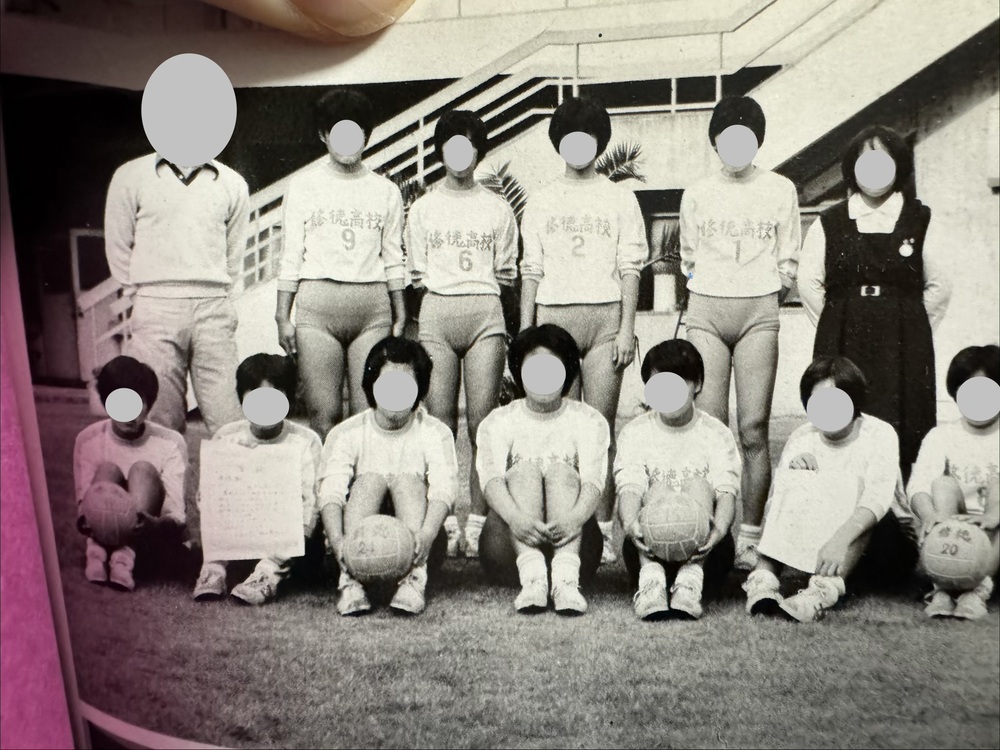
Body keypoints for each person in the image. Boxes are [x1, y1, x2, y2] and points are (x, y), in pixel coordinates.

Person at [519, 96, 648, 564]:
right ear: (558, 143)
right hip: (554, 321)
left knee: (598, 427)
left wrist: (626, 329)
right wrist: (526, 334)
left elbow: (630, 267)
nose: (578, 145)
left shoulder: (620, 198)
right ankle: (561, 523)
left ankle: (604, 528)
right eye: (569, 137)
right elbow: (531, 270)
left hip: (605, 319)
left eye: (587, 137)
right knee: (557, 429)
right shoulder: (541, 199)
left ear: (599, 142)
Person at [678, 95, 802, 571]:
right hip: (707, 312)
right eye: (726, 137)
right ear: (714, 142)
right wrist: (714, 287)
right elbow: (689, 259)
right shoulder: (697, 193)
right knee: (709, 427)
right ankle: (712, 533)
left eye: (744, 137)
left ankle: (750, 536)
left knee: (752, 428)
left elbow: (788, 258)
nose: (734, 145)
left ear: (758, 141)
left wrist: (765, 295)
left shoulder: (780, 189)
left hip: (758, 313)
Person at [798, 125, 951, 484]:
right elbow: (809, 284)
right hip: (844, 335)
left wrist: (910, 324)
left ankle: (903, 504)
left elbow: (939, 287)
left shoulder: (920, 218)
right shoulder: (829, 221)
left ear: (899, 165)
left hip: (904, 338)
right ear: (852, 167)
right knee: (843, 414)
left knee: (907, 420)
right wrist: (837, 322)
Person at [405, 110, 519, 558]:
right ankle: (447, 523)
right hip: (437, 311)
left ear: (478, 152)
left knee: (482, 423)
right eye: (450, 145)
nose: (459, 154)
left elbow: (505, 273)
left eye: (467, 145)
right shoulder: (424, 208)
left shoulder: (497, 208)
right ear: (440, 152)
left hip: (485, 312)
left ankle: (478, 525)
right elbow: (416, 272)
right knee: (440, 423)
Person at [276, 88, 408, 438]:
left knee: (369, 414)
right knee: (324, 416)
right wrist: (282, 316)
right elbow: (291, 255)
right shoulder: (303, 186)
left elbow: (393, 257)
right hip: (318, 310)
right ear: (323, 135)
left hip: (372, 311)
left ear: (366, 135)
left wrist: (400, 313)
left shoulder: (385, 191)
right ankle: (327, 476)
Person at [743, 356, 903, 623]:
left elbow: (877, 498)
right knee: (795, 477)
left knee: (856, 490)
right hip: (823, 541)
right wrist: (797, 473)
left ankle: (821, 591)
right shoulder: (802, 437)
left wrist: (840, 541)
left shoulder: (879, 433)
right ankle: (764, 580)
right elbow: (776, 504)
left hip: (881, 541)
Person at [104, 149, 250, 436]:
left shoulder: (232, 182)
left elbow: (234, 253)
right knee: (160, 416)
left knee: (229, 416)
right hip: (156, 304)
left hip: (213, 306)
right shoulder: (130, 176)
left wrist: (219, 293)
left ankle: (231, 467)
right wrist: (140, 292)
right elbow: (118, 244)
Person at [317, 337, 458, 616]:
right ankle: (350, 582)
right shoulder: (347, 433)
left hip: (421, 541)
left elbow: (444, 488)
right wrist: (338, 541)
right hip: (356, 542)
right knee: (370, 480)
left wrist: (427, 534)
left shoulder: (435, 432)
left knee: (407, 480)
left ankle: (414, 580)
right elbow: (330, 491)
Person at [476, 325, 609, 615]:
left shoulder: (589, 420)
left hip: (576, 544)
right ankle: (533, 578)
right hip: (509, 545)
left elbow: (594, 482)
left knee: (561, 472)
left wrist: (574, 519)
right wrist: (516, 519)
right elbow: (491, 480)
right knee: (524, 471)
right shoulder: (499, 421)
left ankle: (565, 581)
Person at [615, 340, 739, 620]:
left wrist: (718, 531)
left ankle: (689, 585)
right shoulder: (635, 432)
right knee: (659, 488)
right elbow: (629, 488)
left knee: (697, 484)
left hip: (707, 551)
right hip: (647, 550)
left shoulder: (716, 433)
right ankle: (651, 586)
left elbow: (727, 493)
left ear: (697, 384)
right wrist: (631, 524)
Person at [192, 353, 323, 605]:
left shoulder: (305, 441)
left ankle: (267, 575)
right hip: (240, 528)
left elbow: (311, 504)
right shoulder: (227, 437)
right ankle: (214, 570)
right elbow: (207, 496)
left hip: (289, 536)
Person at [73, 356, 188, 591]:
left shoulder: (170, 442)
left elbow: (176, 515)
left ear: (149, 404)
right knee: (108, 470)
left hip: (148, 539)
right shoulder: (89, 439)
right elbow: (84, 505)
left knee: (142, 470)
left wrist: (150, 524)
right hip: (102, 531)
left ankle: (124, 557)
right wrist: (96, 518)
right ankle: (97, 554)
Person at [906, 345, 1000, 620]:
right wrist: (930, 516)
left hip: (995, 534)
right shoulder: (941, 436)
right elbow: (918, 486)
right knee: (942, 484)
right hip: (955, 533)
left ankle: (978, 590)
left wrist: (994, 515)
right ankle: (944, 587)